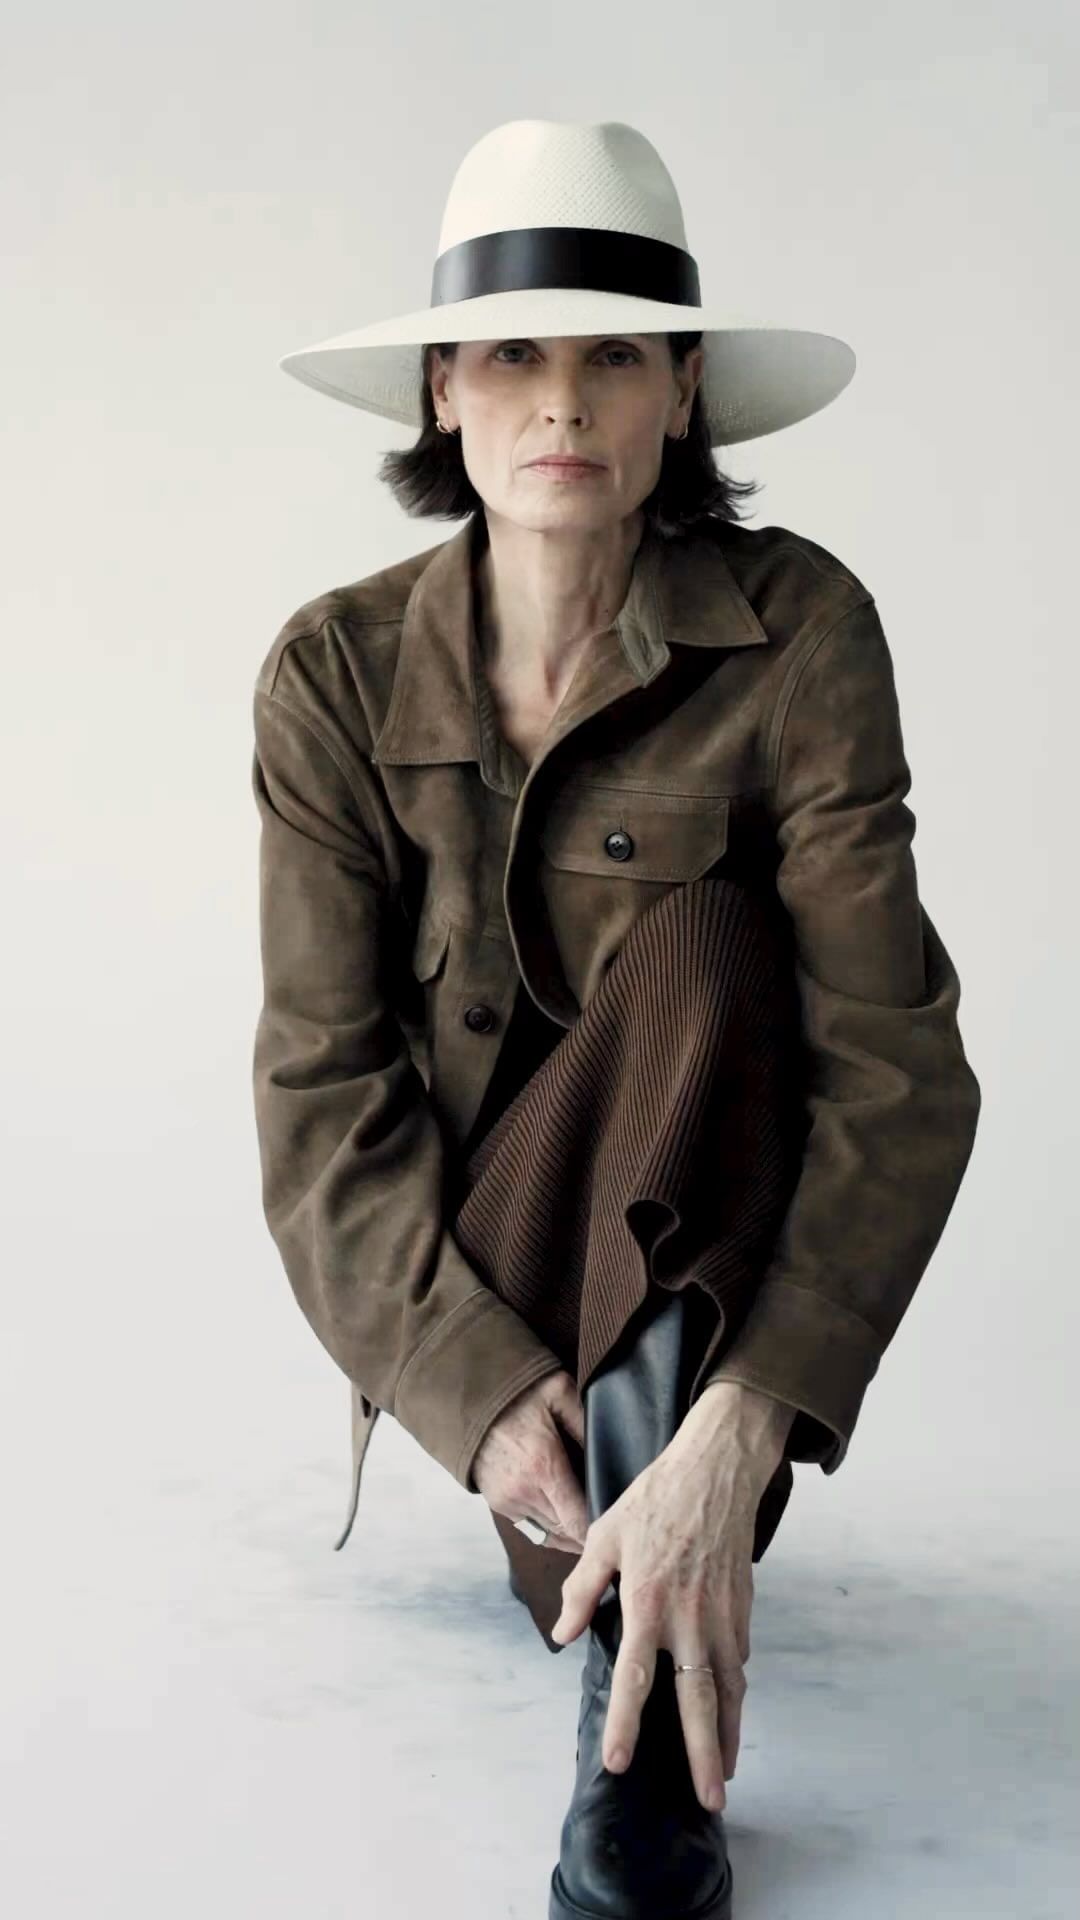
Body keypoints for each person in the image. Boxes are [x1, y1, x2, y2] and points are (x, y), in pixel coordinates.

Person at [251, 118, 981, 1917]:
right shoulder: (334, 676)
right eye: (513, 353)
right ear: (443, 393)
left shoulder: (802, 633)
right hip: (501, 1325)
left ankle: (641, 1760)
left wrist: (742, 1427)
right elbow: (323, 1099)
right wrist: (495, 1411)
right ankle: (628, 1593)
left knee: (709, 952)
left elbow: (896, 1066)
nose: (563, 401)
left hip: (718, 1324)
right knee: (692, 960)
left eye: (616, 357)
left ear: (683, 395)